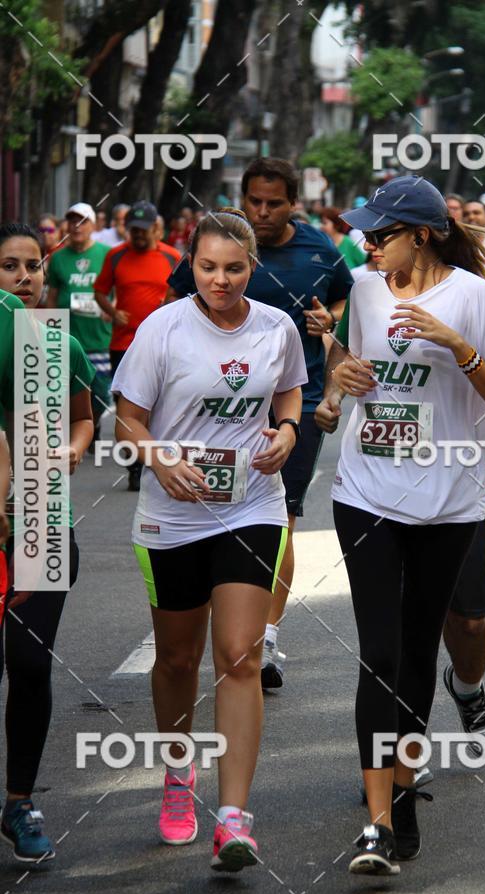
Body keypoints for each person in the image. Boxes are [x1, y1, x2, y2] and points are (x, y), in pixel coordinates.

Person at [315, 176, 485, 875]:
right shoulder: (368, 289)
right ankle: (376, 824)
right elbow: (349, 362)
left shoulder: (475, 297)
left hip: (448, 501)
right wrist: (342, 373)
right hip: (367, 492)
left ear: (424, 234)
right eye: (366, 234)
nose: (367, 244)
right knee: (378, 654)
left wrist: (457, 345)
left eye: (380, 234)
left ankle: (403, 797)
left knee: (413, 654)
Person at [112, 209, 306, 871]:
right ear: (190, 265)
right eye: (208, 267)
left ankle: (232, 819)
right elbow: (128, 421)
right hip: (173, 514)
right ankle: (177, 774)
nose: (220, 280)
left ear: (252, 267)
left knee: (238, 655)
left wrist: (286, 434)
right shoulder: (163, 328)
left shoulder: (277, 328)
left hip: (250, 505)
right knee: (174, 661)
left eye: (233, 268)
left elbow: (288, 403)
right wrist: (159, 458)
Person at [167, 158, 354, 690]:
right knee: (215, 505)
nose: (263, 211)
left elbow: (342, 301)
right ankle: (209, 612)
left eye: (274, 203)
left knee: (281, 516)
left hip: (295, 400)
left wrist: (331, 321)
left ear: (293, 201)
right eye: (255, 201)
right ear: (243, 198)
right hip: (214, 403)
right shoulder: (218, 243)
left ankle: (263, 636)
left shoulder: (319, 249)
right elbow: (173, 307)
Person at [0, 223, 94, 862]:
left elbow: (86, 417)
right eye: (9, 266)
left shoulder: (55, 344)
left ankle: (19, 802)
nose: (24, 276)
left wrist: (72, 448)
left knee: (29, 667)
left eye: (33, 265)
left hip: (40, 520)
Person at [94, 201, 181, 490]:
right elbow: (99, 290)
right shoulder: (116, 257)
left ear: (157, 227)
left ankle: (153, 459)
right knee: (127, 404)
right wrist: (113, 311)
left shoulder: (171, 257)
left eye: (144, 230)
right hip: (123, 343)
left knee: (158, 404)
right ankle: (134, 466)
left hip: (163, 344)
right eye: (134, 230)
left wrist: (169, 306)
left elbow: (183, 294)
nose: (139, 235)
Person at [46, 202, 111, 445]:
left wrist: (111, 309)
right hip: (68, 337)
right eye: (72, 221)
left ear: (93, 225)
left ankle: (89, 425)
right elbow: (52, 296)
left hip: (98, 338)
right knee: (66, 392)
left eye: (82, 221)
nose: (76, 226)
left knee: (101, 392)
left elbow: (115, 290)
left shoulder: (106, 254)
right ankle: (78, 434)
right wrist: (49, 328)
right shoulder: (58, 257)